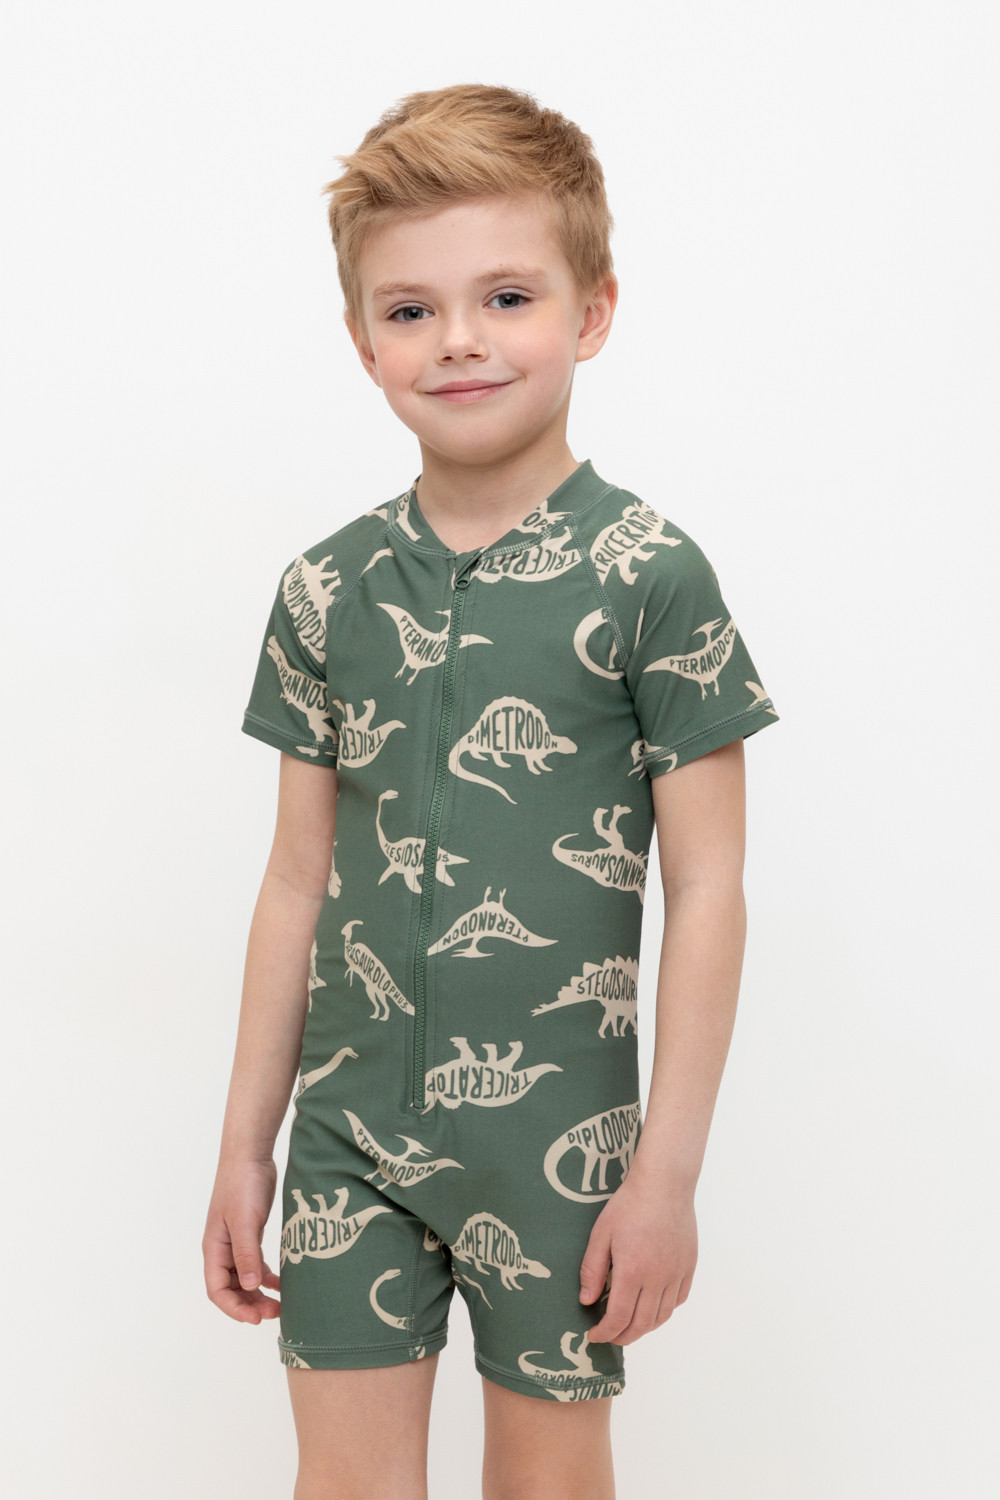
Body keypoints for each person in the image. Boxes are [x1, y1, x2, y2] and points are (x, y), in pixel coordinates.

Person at [203, 82, 780, 1500]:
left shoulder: (653, 576)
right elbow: (296, 880)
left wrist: (665, 1173)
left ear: (592, 314)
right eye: (412, 310)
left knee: (549, 1479)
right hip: (347, 1137)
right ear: (365, 345)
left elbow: (710, 887)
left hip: (560, 1145)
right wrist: (244, 1147)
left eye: (507, 297)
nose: (458, 338)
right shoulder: (327, 588)